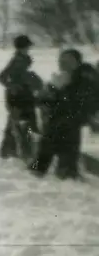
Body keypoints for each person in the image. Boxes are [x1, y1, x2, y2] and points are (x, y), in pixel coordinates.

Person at [29, 49, 99, 180]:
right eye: (61, 61)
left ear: (76, 62)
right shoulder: (64, 77)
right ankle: (56, 171)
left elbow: (84, 100)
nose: (62, 63)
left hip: (71, 119)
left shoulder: (84, 77)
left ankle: (62, 172)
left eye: (67, 61)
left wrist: (61, 89)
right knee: (51, 143)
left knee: (57, 143)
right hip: (61, 120)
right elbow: (42, 100)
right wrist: (49, 92)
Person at [0, 35, 42, 159]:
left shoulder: (22, 59)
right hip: (18, 97)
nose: (29, 49)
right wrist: (13, 86)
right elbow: (1, 77)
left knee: (17, 122)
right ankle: (22, 152)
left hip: (23, 96)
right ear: (23, 47)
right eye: (27, 46)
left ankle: (9, 150)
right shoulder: (17, 61)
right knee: (23, 122)